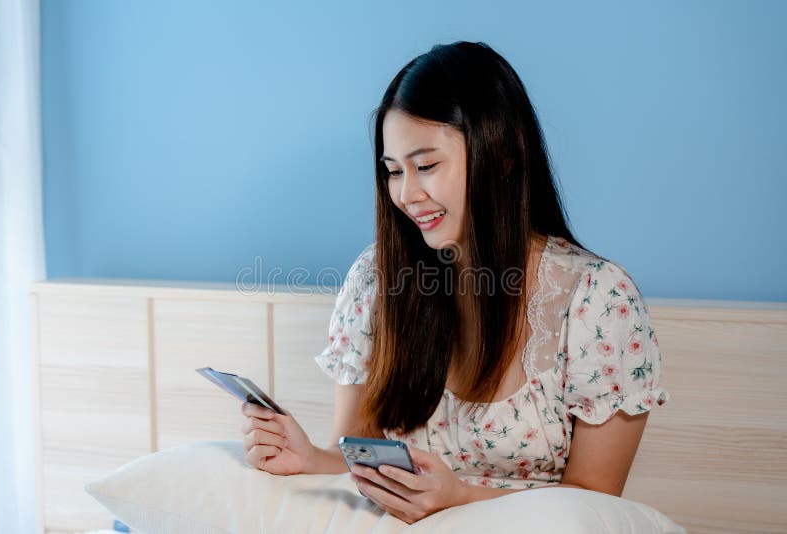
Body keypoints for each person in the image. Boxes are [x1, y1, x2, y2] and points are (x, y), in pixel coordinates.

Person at [240, 41, 669, 525]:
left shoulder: (596, 300)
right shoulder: (376, 279)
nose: (406, 194)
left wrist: (460, 498)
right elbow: (361, 457)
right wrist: (310, 458)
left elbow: (595, 500)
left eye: (426, 166)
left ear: (502, 157)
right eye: (393, 171)